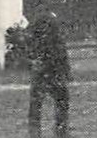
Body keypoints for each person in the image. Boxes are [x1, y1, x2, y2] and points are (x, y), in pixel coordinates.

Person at [23, 9, 71, 137]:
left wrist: (33, 61)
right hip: (54, 70)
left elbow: (29, 45)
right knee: (61, 100)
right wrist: (66, 71)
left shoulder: (33, 26)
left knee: (36, 102)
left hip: (41, 69)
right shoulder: (54, 24)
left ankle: (34, 132)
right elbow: (61, 49)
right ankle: (61, 131)